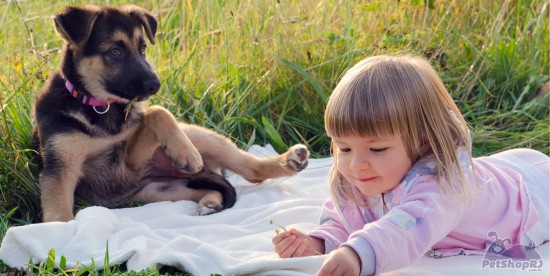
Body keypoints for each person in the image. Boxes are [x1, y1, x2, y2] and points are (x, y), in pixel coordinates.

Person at [271, 55, 549, 275]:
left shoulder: (443, 186)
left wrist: (358, 254)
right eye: (344, 148)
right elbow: (347, 219)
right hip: (501, 168)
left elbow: (405, 228)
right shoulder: (362, 175)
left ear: (423, 141)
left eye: (377, 148)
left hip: (533, 196)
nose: (356, 164)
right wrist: (318, 242)